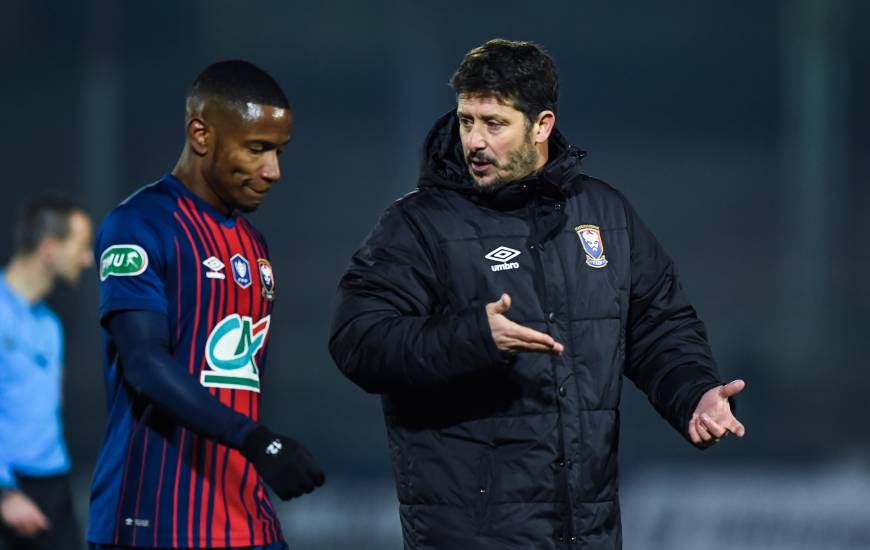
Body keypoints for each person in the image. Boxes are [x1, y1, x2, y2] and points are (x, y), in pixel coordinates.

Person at [328, 39, 746, 549]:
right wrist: (474, 337)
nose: (475, 141)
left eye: (494, 123)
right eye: (466, 121)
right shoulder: (418, 226)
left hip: (586, 533)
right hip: (472, 536)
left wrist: (694, 392)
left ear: (542, 125)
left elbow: (657, 324)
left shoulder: (604, 214)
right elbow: (358, 339)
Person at [87, 60, 324, 550]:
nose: (273, 171)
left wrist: (256, 445)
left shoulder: (254, 245)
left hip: (246, 517)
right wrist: (255, 438)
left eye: (279, 152)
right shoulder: (140, 225)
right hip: (154, 518)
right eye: (257, 149)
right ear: (200, 134)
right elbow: (144, 363)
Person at [0, 196, 93, 550]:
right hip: (10, 494)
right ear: (50, 249)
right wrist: (5, 495)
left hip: (53, 487)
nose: (88, 260)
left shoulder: (50, 326)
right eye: (81, 247)